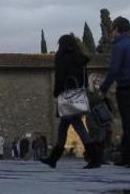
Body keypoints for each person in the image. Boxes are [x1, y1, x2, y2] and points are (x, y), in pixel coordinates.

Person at [41, 34, 100, 169]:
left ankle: (95, 158)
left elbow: (60, 76)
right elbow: (84, 79)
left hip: (67, 97)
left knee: (79, 127)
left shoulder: (62, 58)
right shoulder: (80, 59)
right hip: (78, 96)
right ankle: (53, 158)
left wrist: (57, 91)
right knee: (63, 127)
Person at [99, 17, 130, 168]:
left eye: (112, 30)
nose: (112, 33)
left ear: (116, 29)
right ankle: (126, 157)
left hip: (127, 87)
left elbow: (114, 69)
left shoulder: (119, 46)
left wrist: (103, 88)